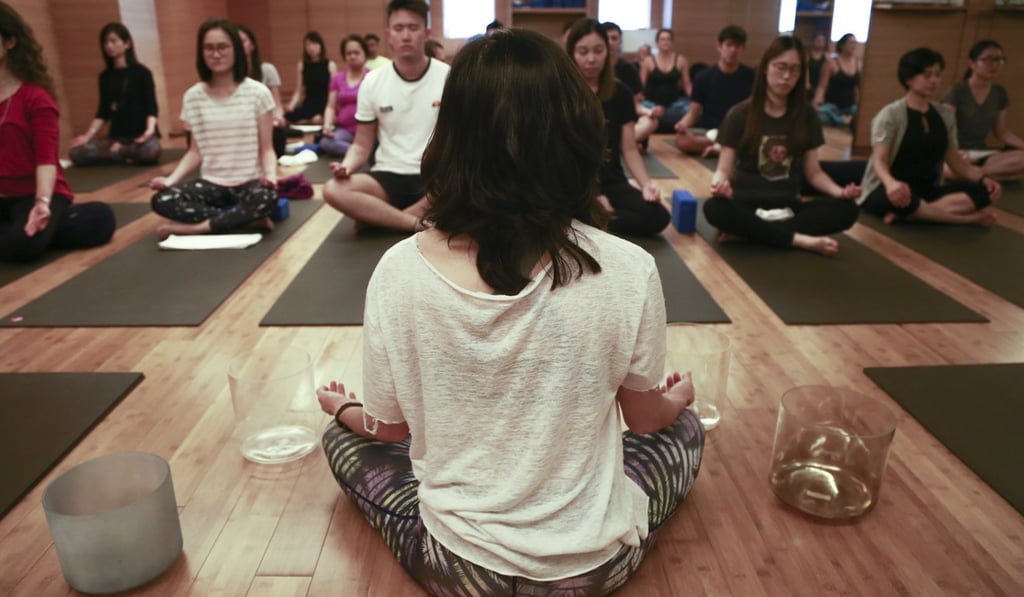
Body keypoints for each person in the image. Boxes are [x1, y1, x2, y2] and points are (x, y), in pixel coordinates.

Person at [318, 27, 704, 595]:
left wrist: (345, 408)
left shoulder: (398, 272)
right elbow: (646, 421)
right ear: (575, 133)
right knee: (686, 430)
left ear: (449, 136)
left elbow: (390, 427)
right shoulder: (628, 267)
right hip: (594, 569)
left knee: (340, 440)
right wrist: (680, 398)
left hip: (460, 569)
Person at [704, 36, 861, 256]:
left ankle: (752, 234)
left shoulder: (806, 115)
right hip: (746, 204)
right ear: (766, 68)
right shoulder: (740, 114)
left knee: (848, 210)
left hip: (788, 206)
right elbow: (722, 170)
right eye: (781, 67)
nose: (786, 76)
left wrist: (840, 192)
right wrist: (719, 185)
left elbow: (814, 173)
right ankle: (798, 240)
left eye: (795, 70)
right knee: (713, 208)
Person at [322, 0, 449, 232]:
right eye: (399, 29)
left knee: (467, 184)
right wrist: (346, 166)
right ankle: (410, 222)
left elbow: (461, 142)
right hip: (388, 175)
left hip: (435, 177)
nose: (406, 36)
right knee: (333, 189)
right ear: (388, 35)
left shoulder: (449, 77)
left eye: (413, 28)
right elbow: (361, 145)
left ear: (427, 33)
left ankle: (381, 220)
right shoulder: (372, 81)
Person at [148, 18, 277, 239]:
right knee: (163, 200)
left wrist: (271, 176)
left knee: (266, 198)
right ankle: (242, 220)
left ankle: (197, 228)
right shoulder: (193, 96)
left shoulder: (258, 93)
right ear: (201, 53)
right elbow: (195, 152)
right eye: (209, 48)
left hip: (248, 183)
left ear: (235, 50)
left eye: (222, 47)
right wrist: (170, 180)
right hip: (211, 184)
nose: (215, 54)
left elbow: (267, 149)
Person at [858, 47, 1000, 225]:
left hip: (927, 189)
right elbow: (879, 161)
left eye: (937, 75)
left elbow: (955, 161)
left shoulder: (944, 115)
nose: (934, 81)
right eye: (927, 75)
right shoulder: (890, 115)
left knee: (984, 192)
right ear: (909, 79)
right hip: (889, 188)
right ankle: (967, 220)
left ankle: (913, 214)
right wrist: (891, 183)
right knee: (905, 200)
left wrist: (983, 178)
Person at [569, 19, 669, 237]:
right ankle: (594, 216)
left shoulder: (620, 92)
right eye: (583, 51)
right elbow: (559, 156)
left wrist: (646, 185)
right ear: (572, 53)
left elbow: (630, 149)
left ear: (608, 51)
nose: (591, 59)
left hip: (611, 180)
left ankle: (596, 221)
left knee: (658, 216)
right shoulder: (562, 94)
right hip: (573, 184)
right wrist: (592, 195)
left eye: (598, 50)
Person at [68, 22, 161, 166]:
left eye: (113, 41)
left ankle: (120, 152)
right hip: (116, 137)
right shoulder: (105, 77)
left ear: (127, 43)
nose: (109, 46)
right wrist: (87, 136)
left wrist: (149, 131)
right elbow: (102, 112)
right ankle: (122, 152)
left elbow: (152, 108)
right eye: (105, 42)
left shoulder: (142, 73)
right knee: (76, 153)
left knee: (151, 151)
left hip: (140, 137)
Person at [943, 40, 1024, 181]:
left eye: (999, 60)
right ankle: (990, 174)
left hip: (982, 154)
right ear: (972, 63)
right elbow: (944, 130)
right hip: (956, 154)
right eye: (988, 60)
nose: (995, 65)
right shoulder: (957, 91)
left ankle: (976, 173)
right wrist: (955, 155)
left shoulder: (1000, 93)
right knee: (944, 170)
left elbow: (1002, 132)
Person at [674, 25, 754, 156]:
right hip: (709, 131)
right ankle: (723, 148)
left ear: (743, 48)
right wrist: (682, 124)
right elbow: (693, 113)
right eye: (729, 45)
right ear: (719, 46)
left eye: (737, 46)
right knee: (681, 140)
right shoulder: (703, 77)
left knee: (751, 141)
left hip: (738, 131)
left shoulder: (751, 76)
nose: (733, 50)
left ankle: (721, 148)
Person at [603, 21, 658, 150]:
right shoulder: (592, 66)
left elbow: (636, 105)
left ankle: (617, 145)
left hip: (624, 121)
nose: (610, 42)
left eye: (614, 38)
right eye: (606, 38)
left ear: (620, 41)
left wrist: (649, 112)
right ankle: (624, 145)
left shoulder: (629, 70)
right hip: (599, 120)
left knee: (651, 122)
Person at [237, 23, 287, 157]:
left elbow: (277, 104)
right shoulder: (228, 76)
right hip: (240, 124)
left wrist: (277, 118)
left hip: (264, 121)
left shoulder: (267, 69)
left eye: (242, 41)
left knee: (278, 133)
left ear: (252, 45)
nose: (239, 46)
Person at [321, 35, 370, 157]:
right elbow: (330, 107)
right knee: (326, 142)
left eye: (356, 53)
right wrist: (327, 126)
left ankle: (360, 152)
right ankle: (362, 153)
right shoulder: (337, 78)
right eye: (349, 53)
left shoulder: (373, 76)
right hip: (345, 131)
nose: (352, 56)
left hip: (368, 131)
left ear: (365, 54)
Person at [640, 28, 691, 133]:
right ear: (657, 42)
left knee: (692, 110)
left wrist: (697, 100)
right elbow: (641, 86)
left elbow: (687, 85)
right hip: (651, 104)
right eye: (662, 39)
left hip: (674, 104)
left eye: (668, 39)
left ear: (672, 42)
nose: (665, 42)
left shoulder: (681, 60)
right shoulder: (648, 61)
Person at [284, 31, 336, 123]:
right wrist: (291, 105)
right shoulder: (302, 65)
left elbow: (334, 91)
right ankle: (310, 119)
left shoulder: (330, 65)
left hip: (325, 103)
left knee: (318, 119)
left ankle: (316, 118)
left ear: (321, 46)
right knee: (286, 116)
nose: (311, 47)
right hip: (309, 103)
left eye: (314, 44)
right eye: (308, 44)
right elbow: (299, 90)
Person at [814, 33, 860, 126]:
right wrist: (816, 103)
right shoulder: (831, 63)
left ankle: (847, 119)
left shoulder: (858, 64)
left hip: (850, 107)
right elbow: (822, 87)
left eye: (855, 43)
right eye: (851, 43)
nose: (854, 45)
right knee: (820, 117)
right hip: (832, 107)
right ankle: (842, 120)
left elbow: (858, 88)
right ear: (842, 45)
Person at [806, 33, 827, 101]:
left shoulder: (827, 57)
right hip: (810, 84)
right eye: (818, 40)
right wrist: (807, 82)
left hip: (821, 83)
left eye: (822, 41)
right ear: (813, 42)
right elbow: (806, 69)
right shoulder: (807, 56)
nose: (821, 43)